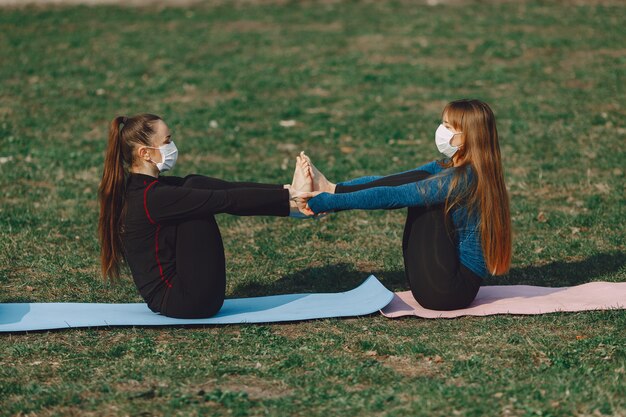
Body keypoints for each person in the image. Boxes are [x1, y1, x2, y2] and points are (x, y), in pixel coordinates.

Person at [300, 99, 512, 310]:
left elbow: (395, 195)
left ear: (467, 137)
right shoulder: (449, 167)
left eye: (448, 127)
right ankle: (331, 187)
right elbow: (391, 180)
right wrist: (335, 190)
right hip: (437, 282)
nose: (441, 130)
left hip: (453, 291)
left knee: (425, 201)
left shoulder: (466, 177)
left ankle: (332, 191)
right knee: (418, 181)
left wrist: (330, 203)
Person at [97, 114, 312, 318]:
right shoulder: (153, 198)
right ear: (145, 153)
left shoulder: (146, 188)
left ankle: (291, 197)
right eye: (167, 141)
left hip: (178, 296)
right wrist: (288, 197)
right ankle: (292, 199)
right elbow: (225, 200)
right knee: (198, 206)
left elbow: (227, 189)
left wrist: (285, 192)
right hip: (185, 301)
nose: (172, 146)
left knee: (195, 184)